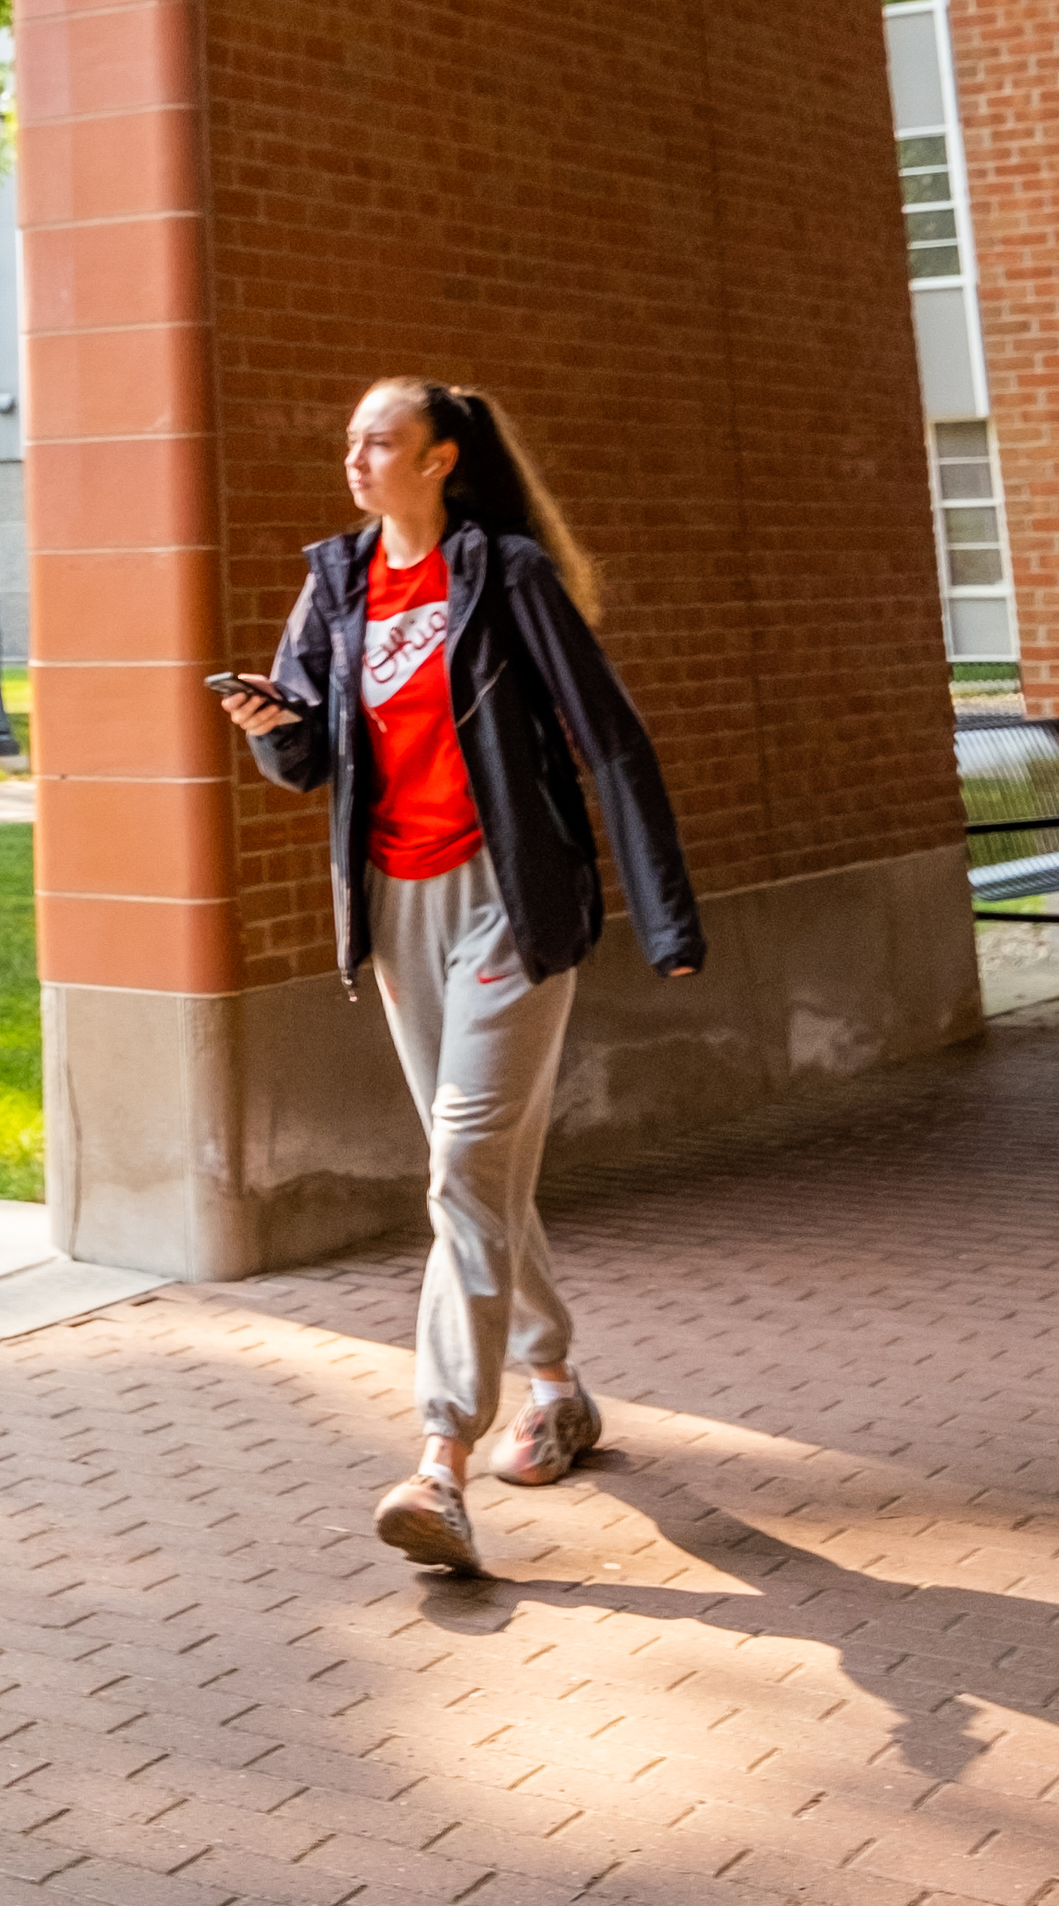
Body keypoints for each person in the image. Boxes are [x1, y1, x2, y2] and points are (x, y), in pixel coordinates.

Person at [216, 378, 701, 1575]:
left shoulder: (506, 573)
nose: (354, 456)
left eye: (379, 439)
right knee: (474, 1167)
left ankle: (439, 1458)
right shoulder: (334, 583)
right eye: (347, 440)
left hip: (507, 899)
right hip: (393, 906)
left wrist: (664, 912)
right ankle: (556, 1383)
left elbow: (609, 736)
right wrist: (270, 723)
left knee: (460, 1162)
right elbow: (308, 760)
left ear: (439, 457)